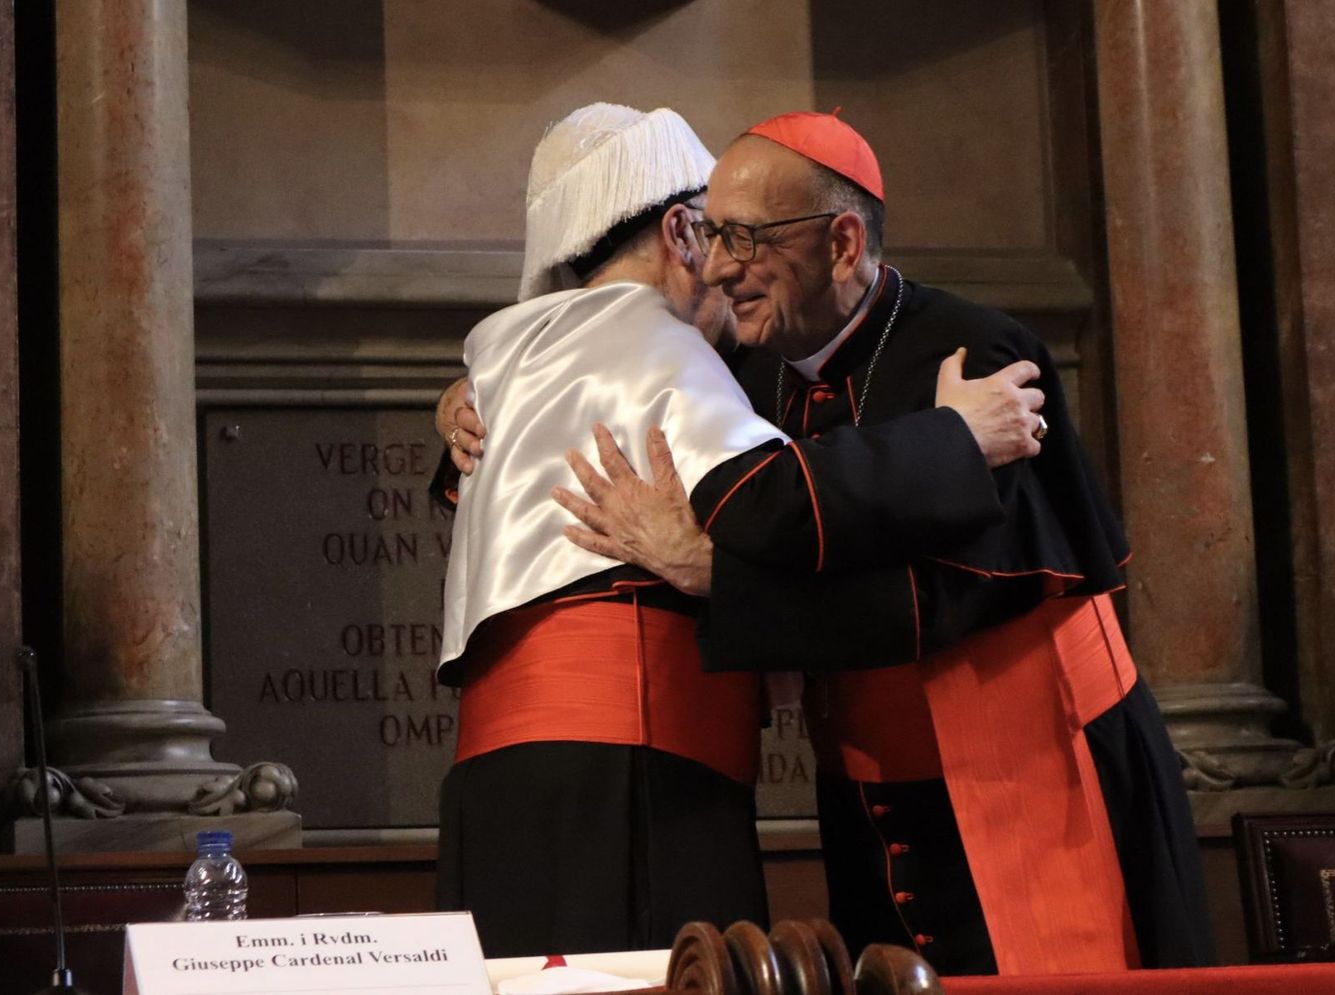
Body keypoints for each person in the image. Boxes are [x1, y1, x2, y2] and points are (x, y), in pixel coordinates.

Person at [550, 112, 1216, 975]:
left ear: (842, 243)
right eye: (712, 234)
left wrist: (716, 573)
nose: (715, 268)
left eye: (746, 238)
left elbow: (934, 598)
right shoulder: (744, 373)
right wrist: (466, 400)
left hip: (1028, 766)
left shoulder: (980, 359)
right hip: (869, 795)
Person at [435, 102, 1046, 959]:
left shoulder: (511, 353)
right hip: (634, 774)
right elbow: (774, 504)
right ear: (680, 232)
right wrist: (955, 437)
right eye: (717, 235)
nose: (725, 269)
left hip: (498, 786)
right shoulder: (654, 337)